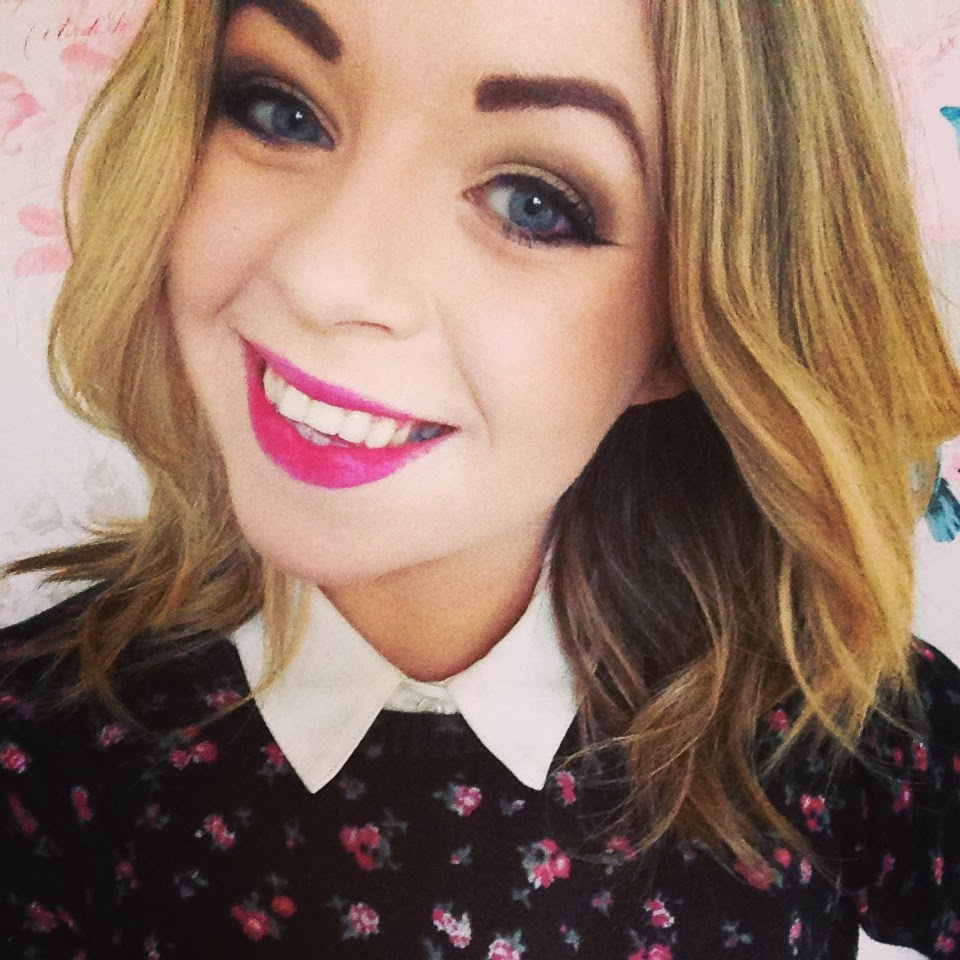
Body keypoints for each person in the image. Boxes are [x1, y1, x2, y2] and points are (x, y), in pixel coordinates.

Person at [1, 0, 958, 956]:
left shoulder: (838, 721)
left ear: (687, 317)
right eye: (282, 111)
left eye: (533, 203)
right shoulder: (36, 758)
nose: (326, 276)